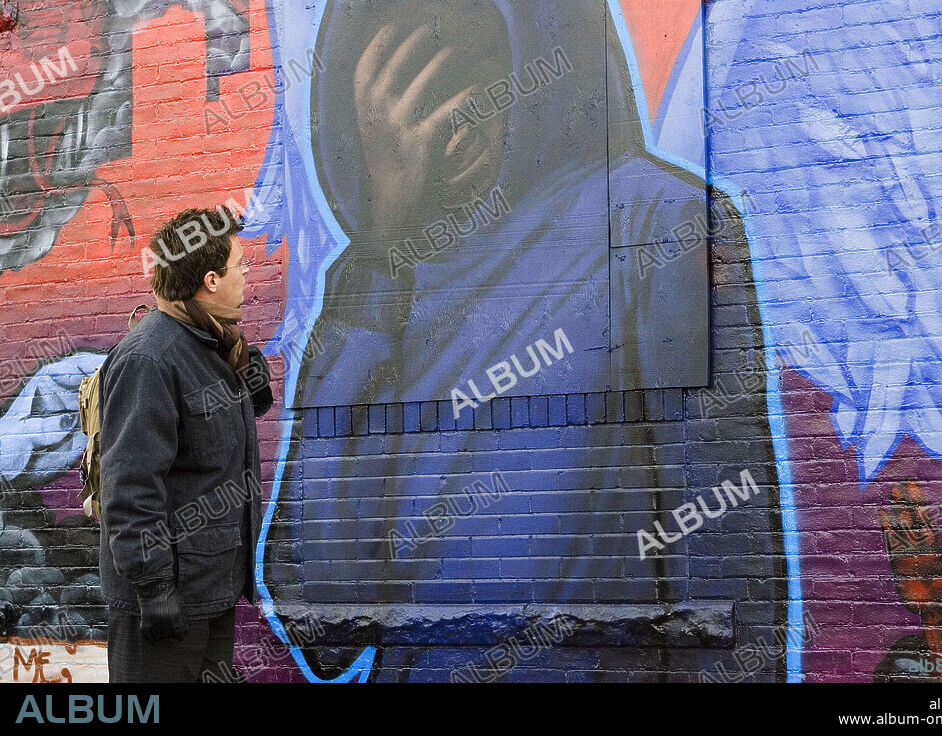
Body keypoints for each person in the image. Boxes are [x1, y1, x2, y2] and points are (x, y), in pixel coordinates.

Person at [261, 0, 787, 681]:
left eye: (469, 65)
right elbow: (321, 620)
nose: (440, 118)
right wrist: (379, 256)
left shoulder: (658, 225)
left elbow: (725, 567)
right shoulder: (377, 291)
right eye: (399, 89)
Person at [98, 207, 273, 683]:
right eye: (242, 266)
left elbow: (212, 452)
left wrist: (247, 385)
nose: (247, 277)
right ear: (211, 280)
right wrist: (154, 589)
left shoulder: (213, 346)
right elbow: (129, 488)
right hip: (164, 600)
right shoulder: (151, 358)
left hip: (207, 590)